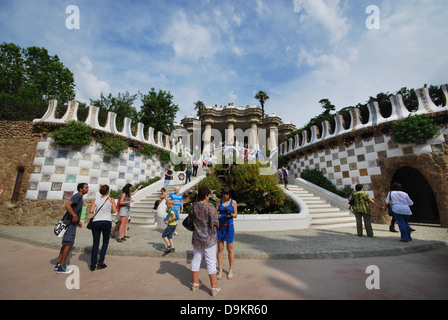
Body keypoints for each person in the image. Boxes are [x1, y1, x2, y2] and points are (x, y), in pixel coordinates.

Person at [190, 186, 221, 297]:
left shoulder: (194, 206)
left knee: (196, 259)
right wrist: (218, 222)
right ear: (206, 195)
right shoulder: (210, 206)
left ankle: (195, 284)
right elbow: (215, 222)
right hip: (209, 238)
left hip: (197, 238)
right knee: (211, 261)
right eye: (208, 195)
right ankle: (214, 288)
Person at [55, 183, 89, 274]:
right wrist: (74, 216)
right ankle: (61, 266)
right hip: (70, 223)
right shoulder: (78, 196)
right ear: (81, 189)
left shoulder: (79, 197)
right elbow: (67, 205)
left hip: (72, 222)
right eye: (86, 188)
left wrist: (78, 221)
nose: (87, 189)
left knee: (65, 243)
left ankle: (58, 263)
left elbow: (75, 209)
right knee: (68, 244)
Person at [89, 184, 117, 271]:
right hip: (106, 221)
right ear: (108, 191)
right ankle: (100, 262)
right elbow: (115, 211)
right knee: (105, 242)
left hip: (96, 222)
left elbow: (91, 211)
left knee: (95, 243)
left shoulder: (96, 199)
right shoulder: (111, 200)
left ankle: (93, 265)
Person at [216, 186, 237, 280]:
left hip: (229, 226)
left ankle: (230, 270)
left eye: (227, 194)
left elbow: (236, 215)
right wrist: (218, 214)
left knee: (230, 248)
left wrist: (230, 214)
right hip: (220, 226)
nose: (225, 196)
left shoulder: (233, 202)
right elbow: (215, 212)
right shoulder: (218, 202)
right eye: (224, 194)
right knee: (220, 248)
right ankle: (220, 270)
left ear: (229, 194)